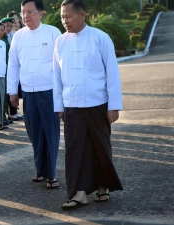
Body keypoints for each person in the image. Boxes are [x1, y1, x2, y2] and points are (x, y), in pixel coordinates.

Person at [54, 0, 123, 210]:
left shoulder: (100, 38)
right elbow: (56, 77)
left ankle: (103, 185)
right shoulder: (60, 42)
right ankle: (79, 193)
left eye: (69, 16)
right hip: (72, 104)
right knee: (75, 150)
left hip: (97, 103)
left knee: (99, 146)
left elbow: (112, 73)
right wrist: (59, 106)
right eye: (62, 17)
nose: (65, 21)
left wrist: (114, 106)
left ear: (82, 15)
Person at [7, 0, 61, 188]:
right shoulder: (18, 36)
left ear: (41, 13)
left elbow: (62, 63)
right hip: (28, 92)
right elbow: (13, 65)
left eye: (30, 12)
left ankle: (51, 175)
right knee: (35, 133)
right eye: (23, 12)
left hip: (49, 91)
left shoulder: (53, 32)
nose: (26, 16)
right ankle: (41, 170)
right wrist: (12, 92)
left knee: (50, 132)